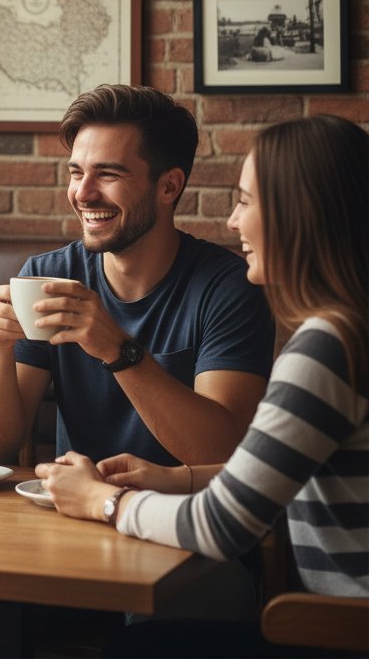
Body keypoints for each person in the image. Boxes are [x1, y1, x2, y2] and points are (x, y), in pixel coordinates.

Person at [0, 84, 275, 656]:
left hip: (193, 544)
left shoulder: (226, 289)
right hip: (67, 534)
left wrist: (118, 350)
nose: (83, 192)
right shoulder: (52, 273)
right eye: (75, 172)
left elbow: (223, 448)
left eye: (107, 174)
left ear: (169, 186)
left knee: (153, 634)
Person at [38, 114, 368, 657]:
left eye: (245, 201)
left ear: (300, 215)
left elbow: (222, 528)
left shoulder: (326, 347)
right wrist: (174, 478)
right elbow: (291, 473)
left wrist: (105, 502)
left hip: (339, 632)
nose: (233, 221)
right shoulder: (353, 329)